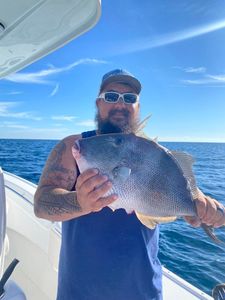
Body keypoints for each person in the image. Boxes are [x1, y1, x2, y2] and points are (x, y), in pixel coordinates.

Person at [34, 69, 225, 300]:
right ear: (98, 103)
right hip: (80, 293)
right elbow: (41, 205)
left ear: (138, 107)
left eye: (130, 98)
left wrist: (205, 209)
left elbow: (190, 196)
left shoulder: (156, 154)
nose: (120, 103)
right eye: (111, 96)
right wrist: (80, 202)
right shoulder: (75, 147)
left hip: (144, 292)